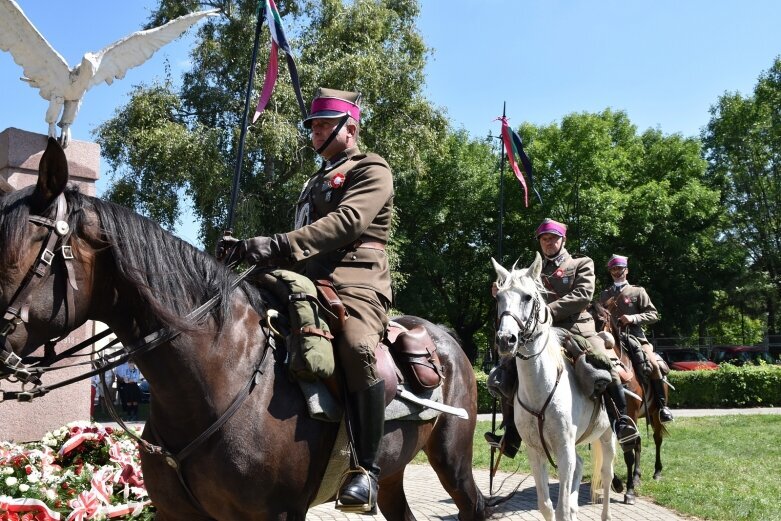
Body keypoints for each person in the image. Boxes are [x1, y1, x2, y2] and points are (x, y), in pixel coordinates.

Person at [216, 87, 393, 514]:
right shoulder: (313, 180)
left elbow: (347, 222)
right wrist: (244, 251)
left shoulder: (372, 168)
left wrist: (274, 244)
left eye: (321, 125)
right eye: (311, 125)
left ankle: (365, 471)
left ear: (349, 127)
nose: (313, 132)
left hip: (355, 284)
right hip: (306, 282)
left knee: (354, 345)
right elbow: (301, 239)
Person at [487, 218, 639, 454]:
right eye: (544, 239)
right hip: (539, 333)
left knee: (604, 362)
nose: (549, 243)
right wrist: (503, 290)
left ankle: (621, 423)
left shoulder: (581, 263)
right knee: (508, 369)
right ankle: (512, 433)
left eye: (553, 238)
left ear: (562, 240)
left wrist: (549, 310)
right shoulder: (532, 270)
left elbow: (583, 294)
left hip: (577, 328)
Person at [600, 254, 673, 423]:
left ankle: (662, 407)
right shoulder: (604, 295)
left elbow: (653, 314)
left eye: (620, 269)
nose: (617, 272)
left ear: (627, 270)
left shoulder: (637, 291)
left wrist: (633, 318)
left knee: (654, 364)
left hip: (635, 337)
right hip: (611, 340)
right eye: (613, 269)